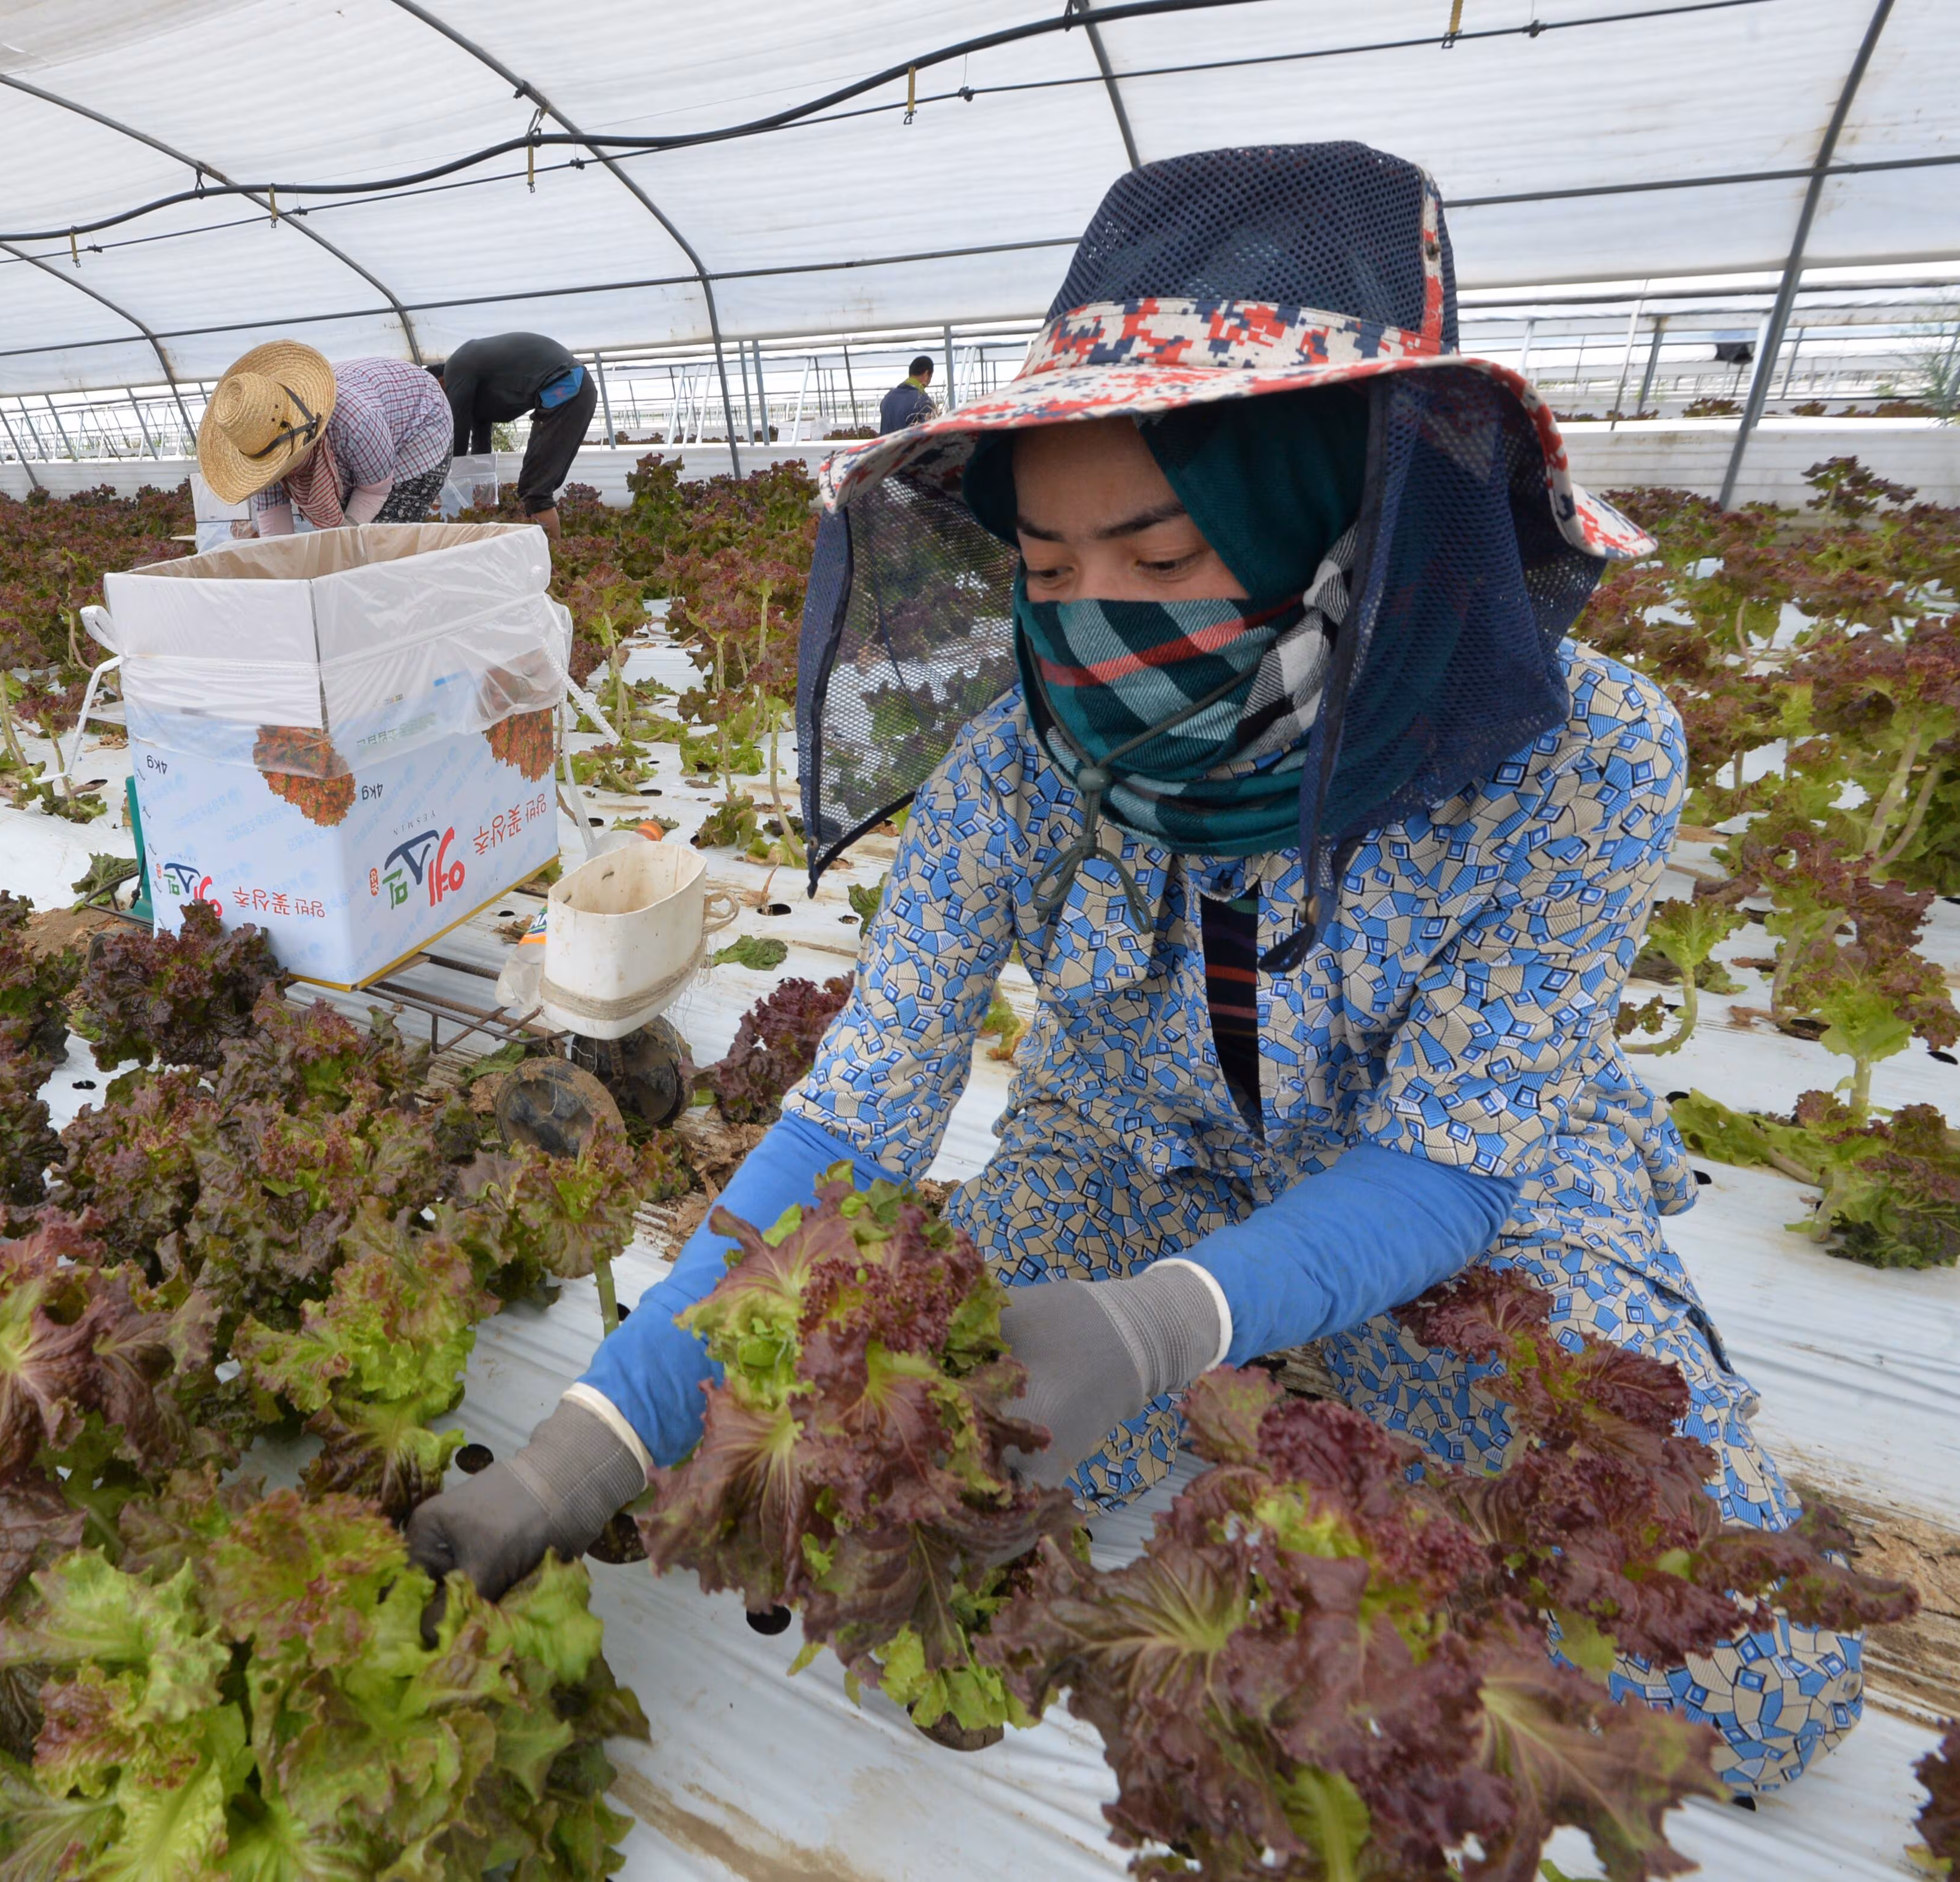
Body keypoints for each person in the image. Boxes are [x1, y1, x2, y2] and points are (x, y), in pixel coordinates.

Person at [407, 142, 1865, 1800]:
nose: (1093, 620)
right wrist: (589, 1435)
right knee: (905, 1474)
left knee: (1747, 1683)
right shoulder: (1011, 767)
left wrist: (1172, 1323)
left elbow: (1449, 1158)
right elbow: (854, 1122)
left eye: (1161, 562)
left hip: (1461, 1185)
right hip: (1119, 1161)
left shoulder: (1573, 751)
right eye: (1045, 572)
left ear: (1337, 525)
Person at [194, 342, 452, 537]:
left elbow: (375, 490)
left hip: (420, 426)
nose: (278, 471)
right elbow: (274, 522)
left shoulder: (356, 419)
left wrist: (344, 538)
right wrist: (282, 569)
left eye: (283, 462)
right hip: (365, 440)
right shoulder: (258, 439)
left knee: (378, 541)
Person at [430, 333, 597, 538]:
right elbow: (480, 444)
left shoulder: (457, 367)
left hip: (567, 387)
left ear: (440, 382)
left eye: (436, 396)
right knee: (536, 487)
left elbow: (458, 432)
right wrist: (478, 493)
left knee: (536, 491)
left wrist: (444, 484)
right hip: (571, 388)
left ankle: (553, 559)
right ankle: (552, 555)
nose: (440, 405)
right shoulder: (475, 382)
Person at [878, 354, 938, 433]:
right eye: (931, 377)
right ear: (926, 374)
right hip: (910, 445)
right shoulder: (923, 401)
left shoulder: (888, 398)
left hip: (886, 445)